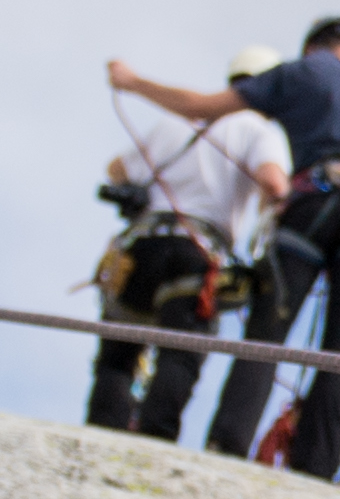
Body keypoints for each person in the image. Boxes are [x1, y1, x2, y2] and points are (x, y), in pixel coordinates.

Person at [110, 15, 340, 479]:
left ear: (312, 47)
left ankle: (228, 443)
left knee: (267, 336)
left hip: (308, 205)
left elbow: (200, 107)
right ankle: (315, 468)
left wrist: (132, 82)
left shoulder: (298, 73)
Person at [86, 46, 294, 440]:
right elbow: (274, 184)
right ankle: (154, 441)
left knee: (118, 357)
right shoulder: (258, 129)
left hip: (139, 247)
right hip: (196, 254)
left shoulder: (174, 124)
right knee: (180, 353)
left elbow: (116, 171)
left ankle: (99, 435)